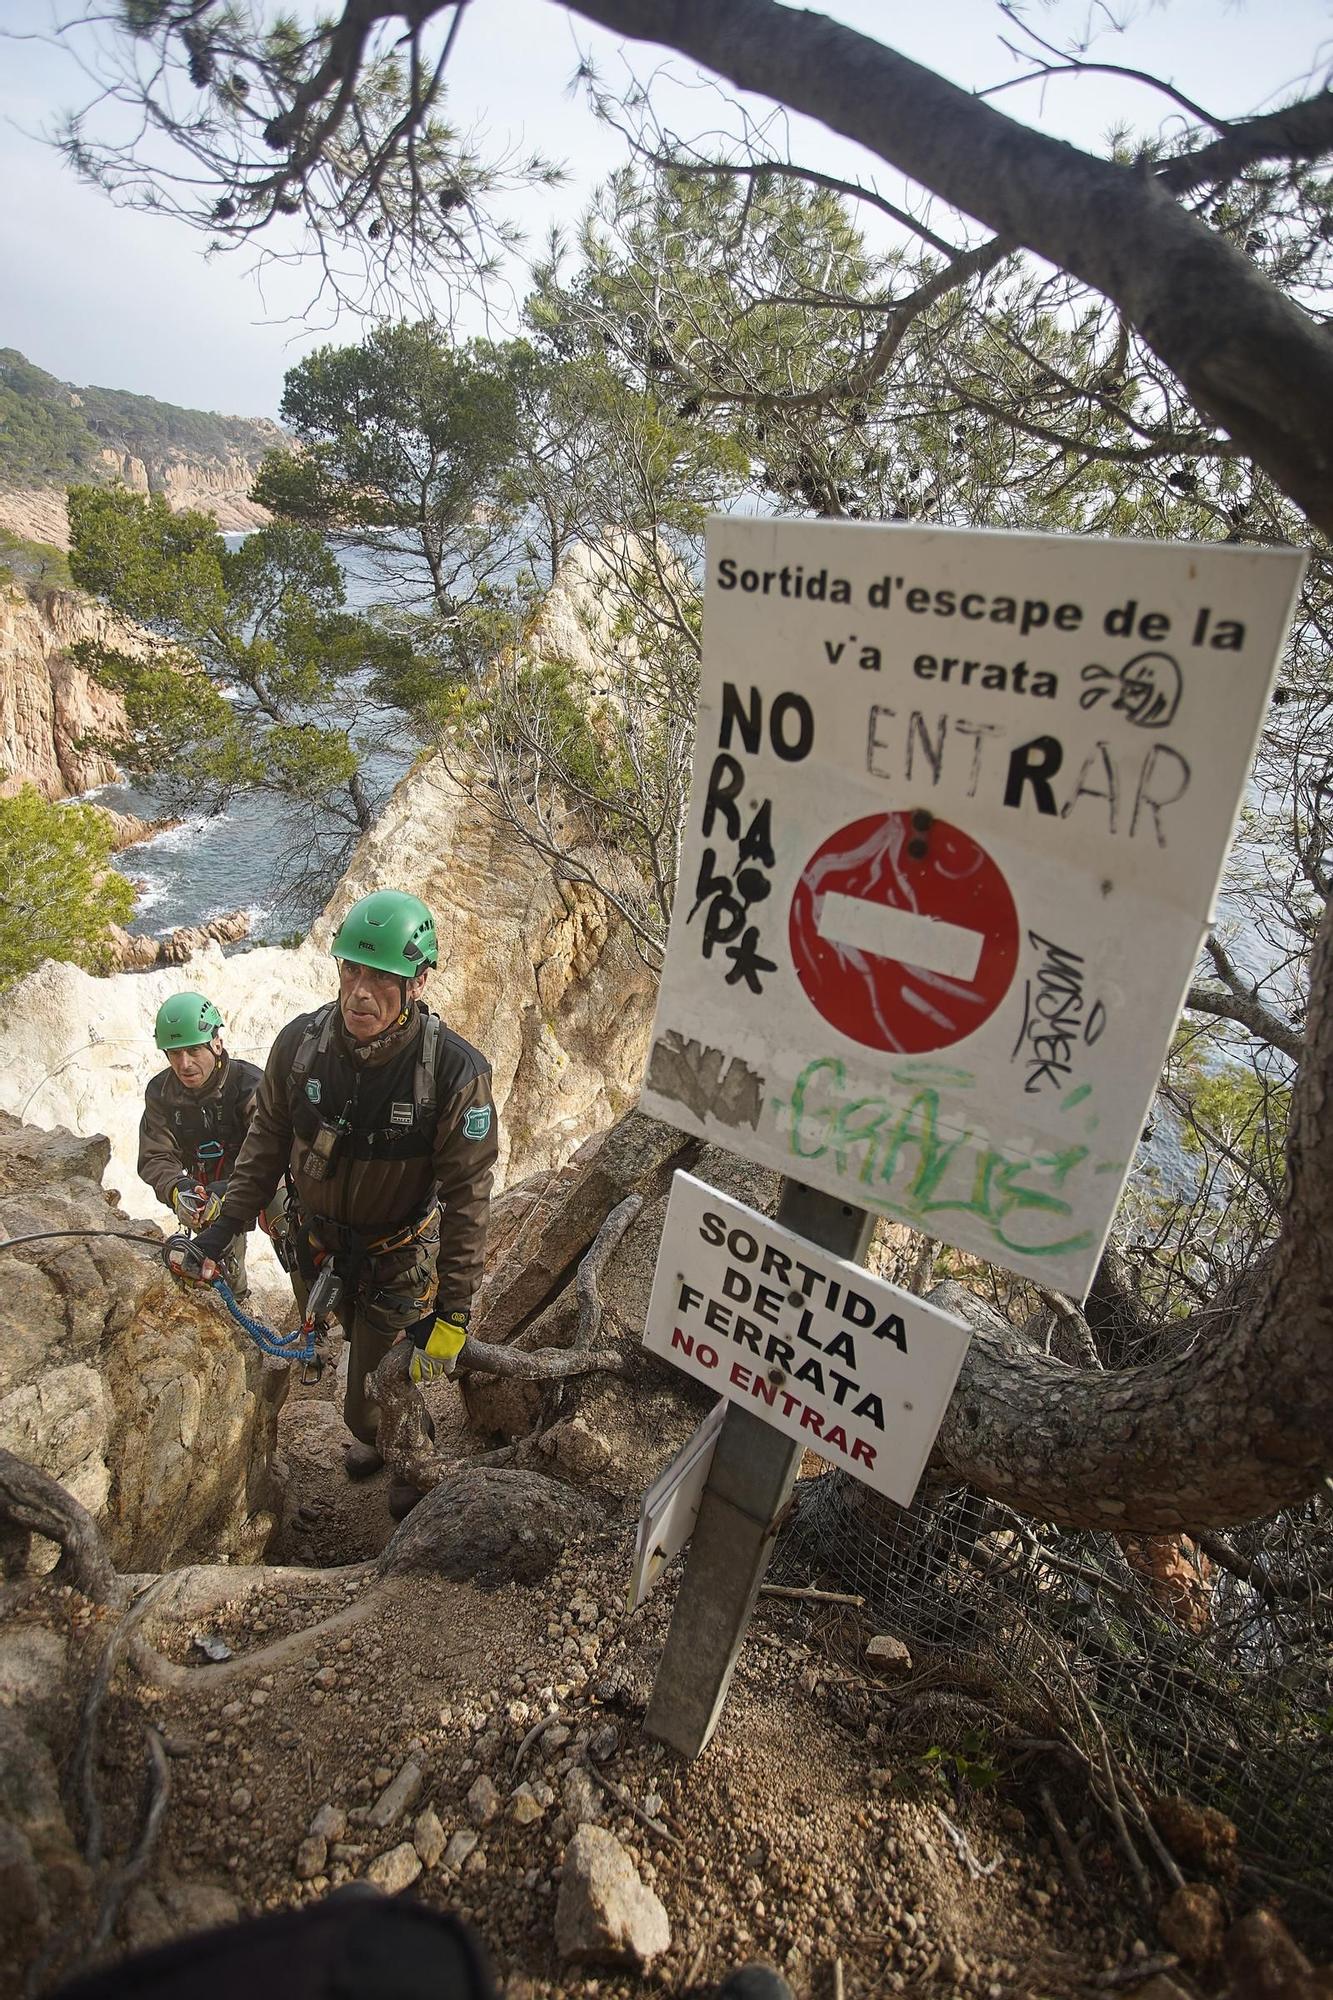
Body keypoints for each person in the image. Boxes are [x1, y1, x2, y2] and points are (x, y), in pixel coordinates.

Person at [172, 890, 499, 1519]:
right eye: (352, 969)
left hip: (395, 1253)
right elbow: (263, 1148)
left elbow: (468, 1200)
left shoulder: (454, 1073)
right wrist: (219, 1231)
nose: (361, 992)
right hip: (316, 1245)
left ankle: (410, 1451)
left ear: (419, 980)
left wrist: (453, 1310)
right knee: (352, 1351)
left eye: (382, 976)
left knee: (366, 1399)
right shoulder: (301, 1047)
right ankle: (386, 1434)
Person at [139, 991, 261, 1300]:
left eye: (194, 1050)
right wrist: (178, 1189)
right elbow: (156, 1155)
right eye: (174, 1053)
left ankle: (317, 1324)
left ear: (216, 1044)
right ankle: (235, 1302)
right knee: (218, 1257)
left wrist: (231, 1190)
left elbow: (272, 1150)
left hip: (258, 1179)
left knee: (289, 1226)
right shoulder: (161, 1092)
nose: (184, 1064)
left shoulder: (249, 1085)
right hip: (204, 1186)